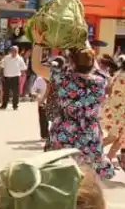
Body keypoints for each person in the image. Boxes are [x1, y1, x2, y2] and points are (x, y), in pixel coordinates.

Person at [33, 44, 115, 179]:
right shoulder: (101, 82)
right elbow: (96, 67)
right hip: (89, 136)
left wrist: (37, 43)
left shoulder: (63, 79)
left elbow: (36, 66)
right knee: (86, 178)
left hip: (63, 132)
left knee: (60, 176)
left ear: (72, 62)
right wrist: (86, 46)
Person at [0, 45, 27, 110]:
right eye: (13, 50)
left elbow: (23, 68)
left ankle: (15, 106)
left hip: (15, 77)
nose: (14, 52)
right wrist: (1, 75)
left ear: (17, 51)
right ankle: (4, 105)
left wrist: (22, 76)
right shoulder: (6, 57)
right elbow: (2, 66)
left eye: (16, 51)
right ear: (11, 51)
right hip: (6, 77)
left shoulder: (20, 58)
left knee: (15, 93)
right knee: (6, 92)